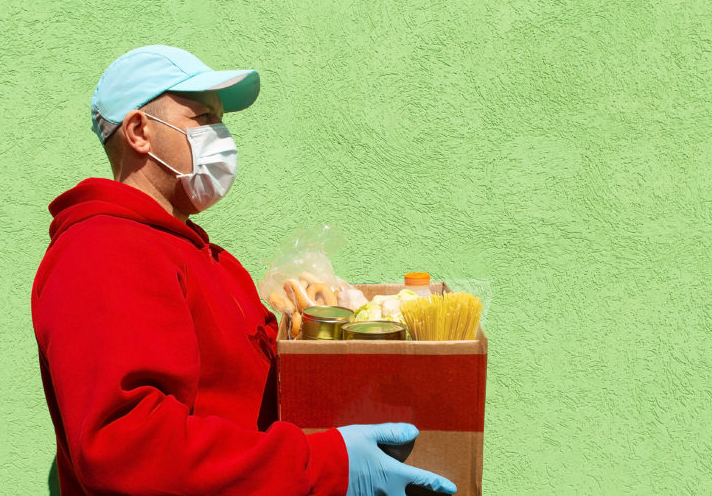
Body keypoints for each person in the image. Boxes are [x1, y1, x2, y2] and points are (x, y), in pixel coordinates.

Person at [31, 45, 457, 495]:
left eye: (221, 120)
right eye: (203, 118)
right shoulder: (104, 250)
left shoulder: (205, 257)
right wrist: (328, 465)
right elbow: (127, 449)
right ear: (139, 131)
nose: (222, 135)